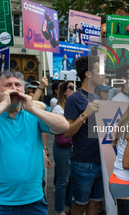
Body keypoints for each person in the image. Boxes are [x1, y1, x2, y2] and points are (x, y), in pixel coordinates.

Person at [0, 71, 69, 214]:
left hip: (33, 199)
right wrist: (3, 104)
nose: (14, 88)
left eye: (17, 85)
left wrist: (32, 108)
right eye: (8, 85)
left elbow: (63, 126)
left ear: (23, 90)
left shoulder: (33, 114)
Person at [64, 55, 104, 215]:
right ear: (88, 74)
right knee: (80, 206)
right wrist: (84, 115)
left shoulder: (98, 97)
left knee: (96, 204)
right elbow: (67, 132)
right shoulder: (74, 99)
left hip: (102, 161)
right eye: (99, 71)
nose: (103, 74)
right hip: (83, 163)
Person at [52, 81, 75, 215]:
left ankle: (70, 205)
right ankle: (59, 210)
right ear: (64, 92)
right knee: (63, 179)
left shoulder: (71, 105)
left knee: (71, 178)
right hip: (63, 146)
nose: (74, 89)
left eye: (74, 87)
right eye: (71, 88)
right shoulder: (58, 108)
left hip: (73, 146)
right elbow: (64, 128)